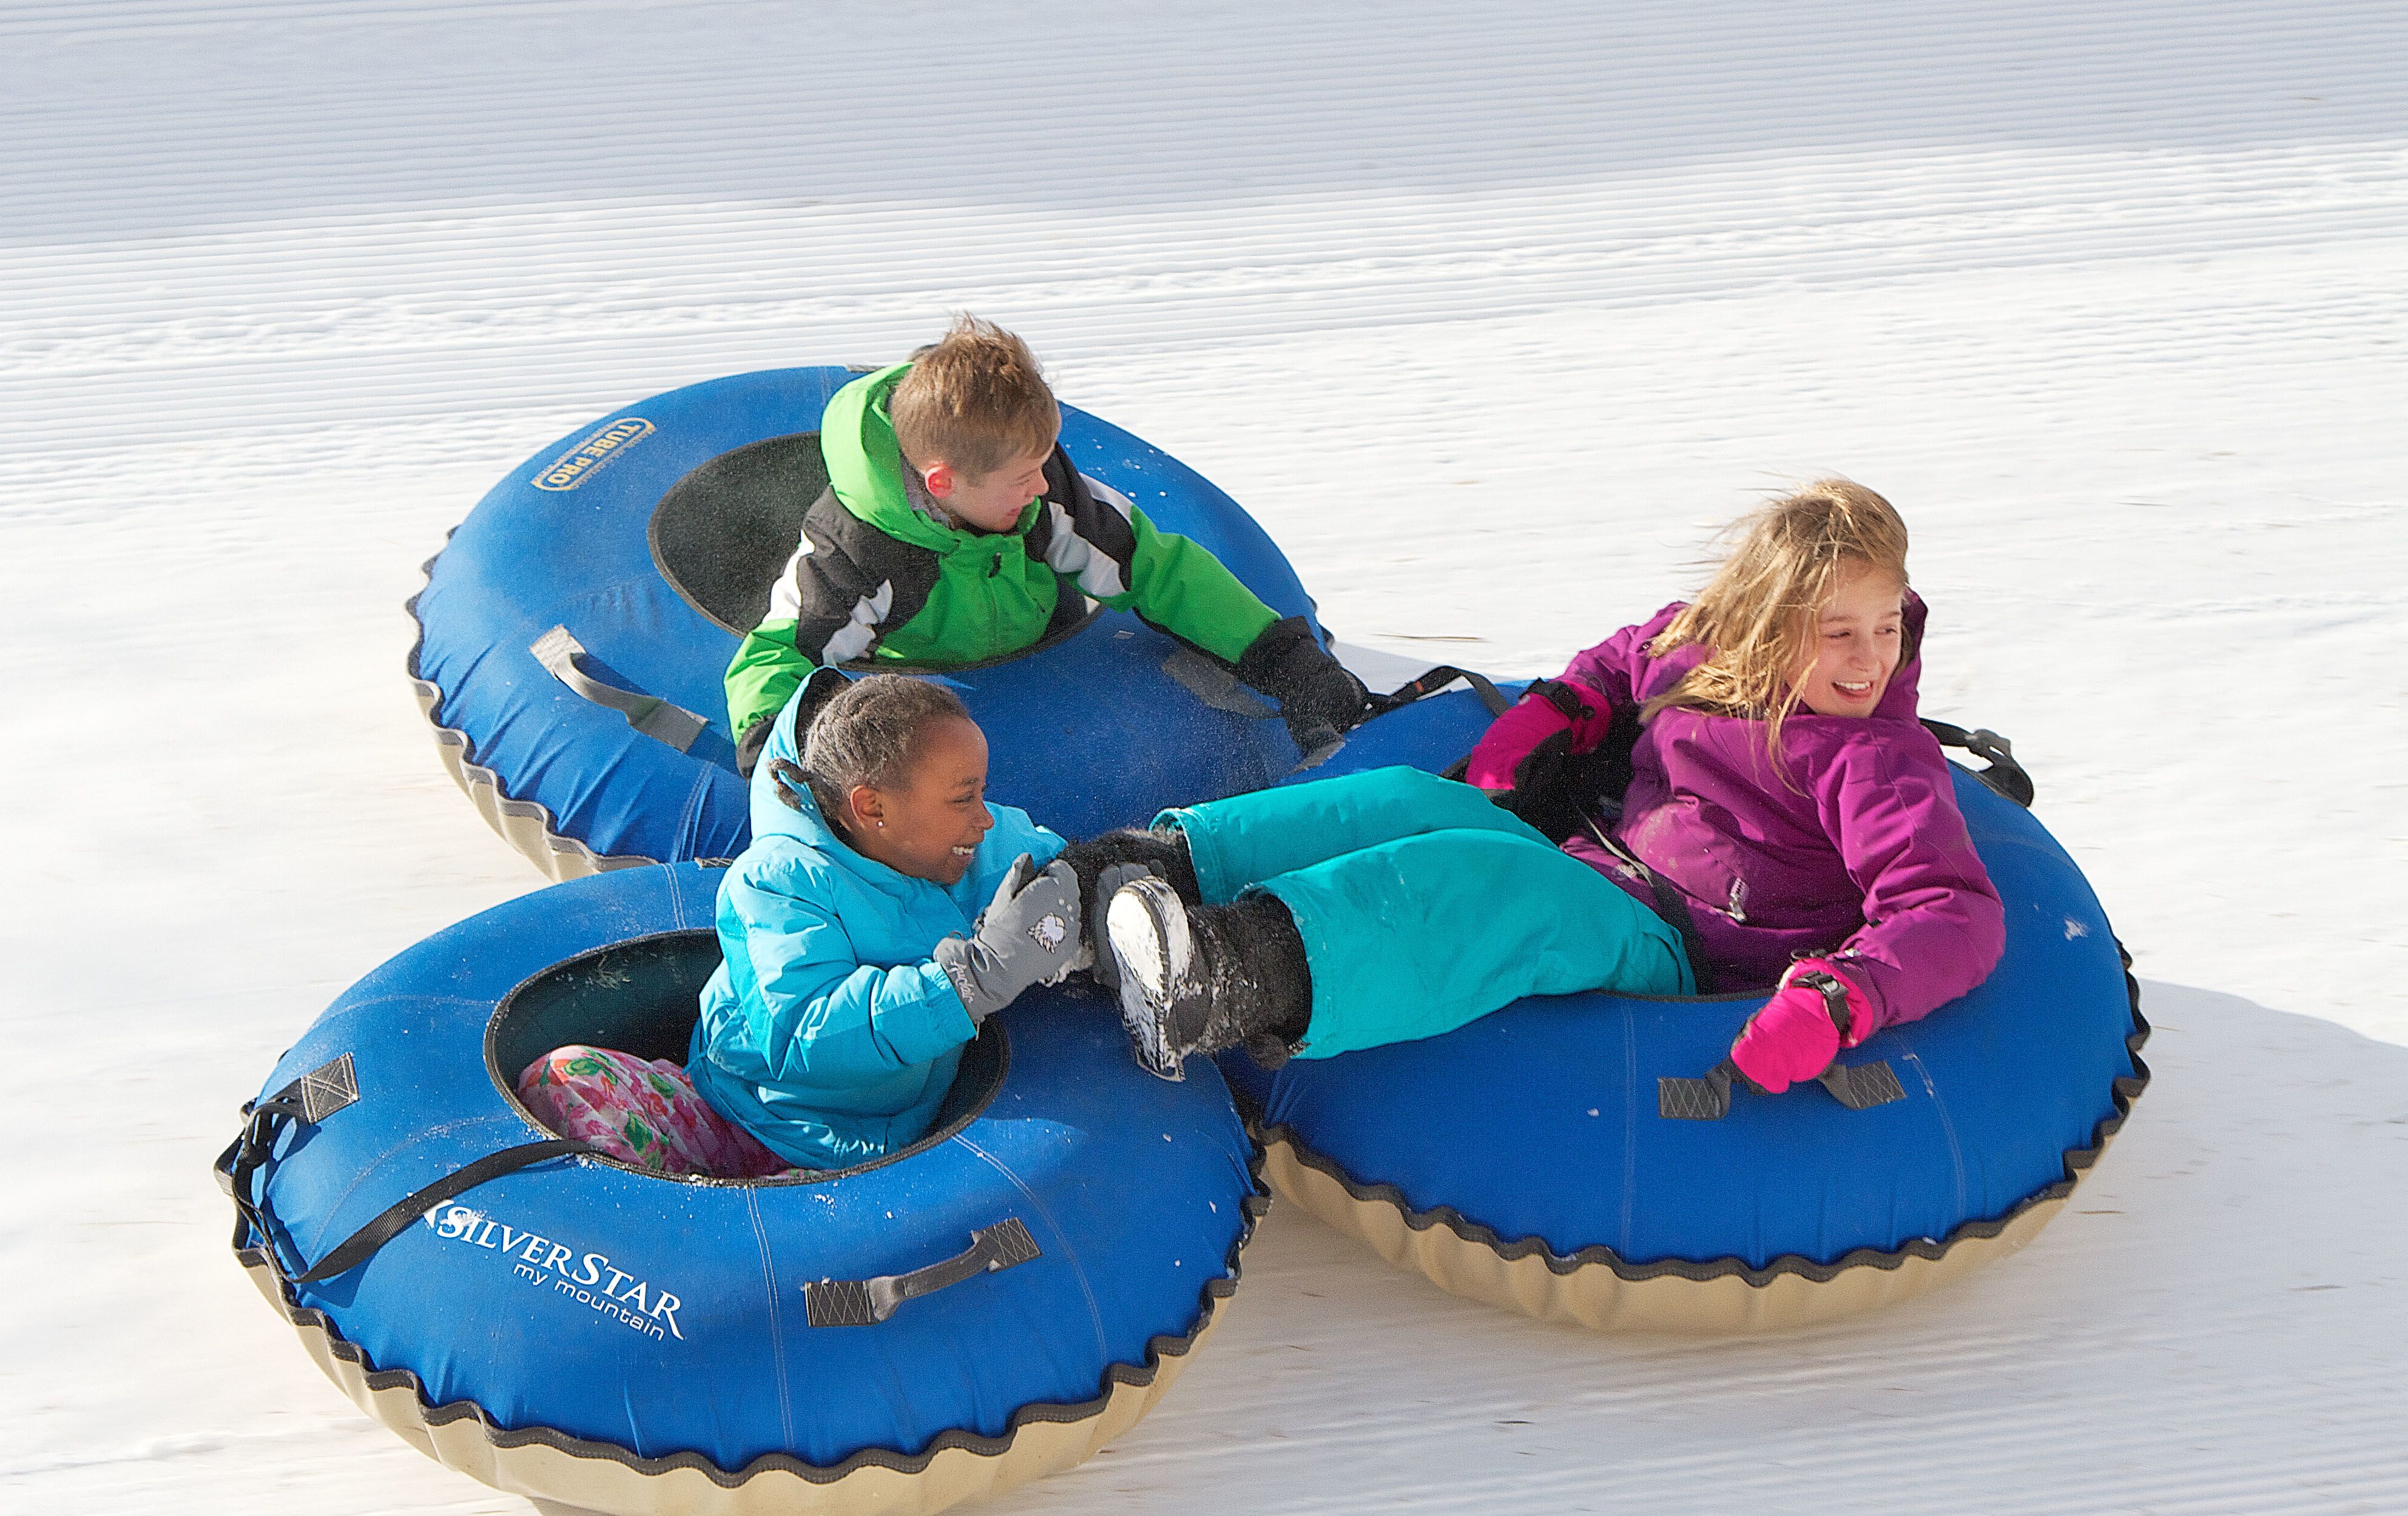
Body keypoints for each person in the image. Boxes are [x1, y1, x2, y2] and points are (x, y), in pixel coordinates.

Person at [1094, 479, 2006, 1095]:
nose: (1868, 658)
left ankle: (1221, 972)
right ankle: (1152, 867)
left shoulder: (1875, 760)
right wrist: (1556, 713)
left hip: (1688, 950)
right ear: (1762, 620)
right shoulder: (1708, 645)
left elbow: (1951, 908)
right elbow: (1620, 663)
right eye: (1835, 630)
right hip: (1605, 861)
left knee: (1504, 892)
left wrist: (1843, 997)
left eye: (1884, 626)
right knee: (1418, 802)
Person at [520, 675, 1141, 1175]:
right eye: (962, 798)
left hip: (877, 1150)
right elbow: (800, 1034)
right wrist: (968, 982)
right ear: (872, 807)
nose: (982, 818)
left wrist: (1098, 891)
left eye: (981, 794)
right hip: (745, 1119)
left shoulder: (963, 844)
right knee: (565, 1077)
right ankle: (695, 1216)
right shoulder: (779, 881)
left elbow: (1047, 865)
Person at [722, 316, 1367, 777]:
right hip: (927, 683)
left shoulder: (1043, 494)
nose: (1043, 485)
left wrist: (1285, 660)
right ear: (943, 483)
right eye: (1021, 476)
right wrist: (792, 764)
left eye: (1044, 464)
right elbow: (777, 655)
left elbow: (1157, 568)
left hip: (1048, 652)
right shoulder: (858, 554)